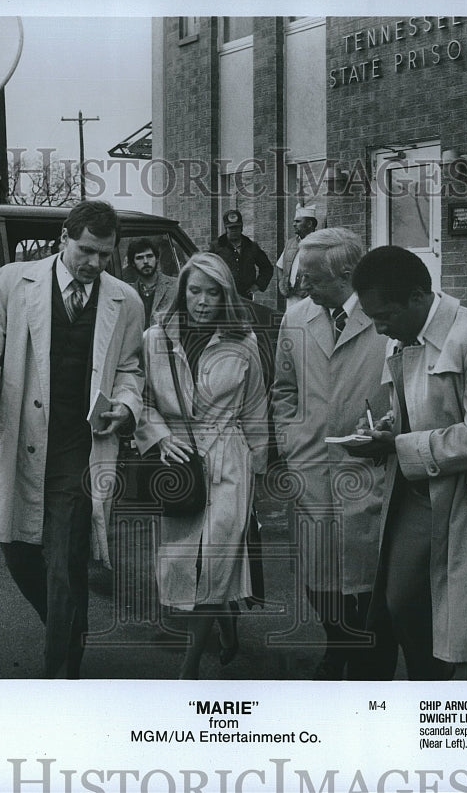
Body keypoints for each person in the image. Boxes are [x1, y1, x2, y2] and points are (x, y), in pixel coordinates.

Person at [0, 200, 145, 679]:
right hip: (18, 440)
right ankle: (67, 626)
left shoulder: (126, 300)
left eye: (105, 255)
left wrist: (125, 405)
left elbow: (129, 369)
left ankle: (61, 674)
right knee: (18, 551)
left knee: (65, 560)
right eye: (86, 251)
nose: (95, 264)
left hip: (79, 450)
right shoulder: (12, 283)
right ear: (64, 237)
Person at [346, 246, 467, 681]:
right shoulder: (403, 334)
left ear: (419, 296)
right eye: (373, 316)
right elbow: (419, 410)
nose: (379, 328)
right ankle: (430, 698)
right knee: (404, 604)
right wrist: (389, 427)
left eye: (385, 315)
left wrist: (399, 445)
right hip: (421, 494)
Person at [135, 252, 268, 679]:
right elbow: (141, 400)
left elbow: (255, 411)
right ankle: (225, 619)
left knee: (215, 557)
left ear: (226, 295)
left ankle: (189, 668)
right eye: (195, 291)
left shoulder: (243, 342)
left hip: (231, 459)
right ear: (182, 291)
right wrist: (159, 436)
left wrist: (259, 473)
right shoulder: (155, 339)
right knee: (182, 561)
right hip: (179, 460)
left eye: (213, 292)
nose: (203, 301)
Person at [270, 228, 388, 680]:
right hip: (311, 464)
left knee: (364, 574)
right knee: (319, 576)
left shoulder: (384, 318)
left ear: (347, 274)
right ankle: (335, 643)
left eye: (313, 279)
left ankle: (358, 659)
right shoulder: (297, 317)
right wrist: (290, 441)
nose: (302, 287)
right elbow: (283, 389)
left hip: (368, 464)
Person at [212, 209, 273, 300]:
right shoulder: (216, 247)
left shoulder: (251, 247)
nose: (234, 231)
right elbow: (206, 268)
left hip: (245, 296)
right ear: (226, 229)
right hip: (223, 296)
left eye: (236, 227)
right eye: (231, 228)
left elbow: (267, 268)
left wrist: (257, 285)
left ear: (241, 228)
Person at [126, 236, 178, 327]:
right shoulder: (129, 293)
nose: (146, 261)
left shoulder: (175, 285)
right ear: (133, 263)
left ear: (157, 258)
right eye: (139, 258)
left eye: (149, 256)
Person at [275, 205, 319, 308]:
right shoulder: (290, 243)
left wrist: (313, 289)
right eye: (294, 221)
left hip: (311, 299)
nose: (294, 224)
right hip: (291, 297)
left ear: (309, 224)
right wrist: (282, 284)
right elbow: (279, 266)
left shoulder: (320, 243)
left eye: (298, 221)